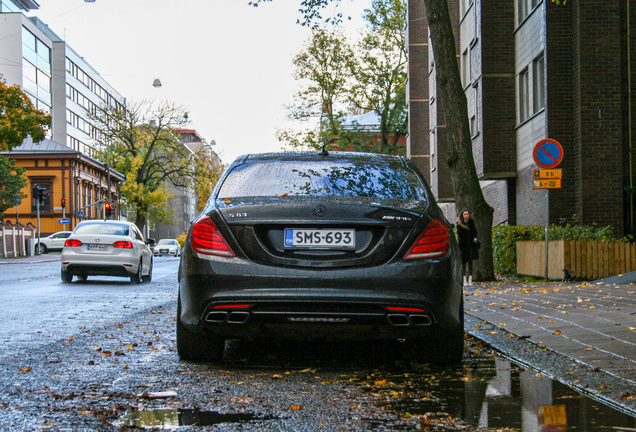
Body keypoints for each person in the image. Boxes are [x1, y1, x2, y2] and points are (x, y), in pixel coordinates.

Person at [456, 208, 479, 287]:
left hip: (470, 245)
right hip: (463, 246)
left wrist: (475, 237)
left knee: (470, 262)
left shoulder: (471, 222)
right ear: (462, 215)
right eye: (465, 214)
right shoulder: (460, 223)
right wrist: (459, 225)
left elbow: (474, 231)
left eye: (467, 214)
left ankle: (470, 279)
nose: (466, 216)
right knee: (463, 263)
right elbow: (459, 234)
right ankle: (464, 279)